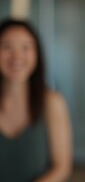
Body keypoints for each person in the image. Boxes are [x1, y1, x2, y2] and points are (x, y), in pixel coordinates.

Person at [0, 18, 72, 182]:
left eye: (26, 47)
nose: (17, 56)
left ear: (37, 54)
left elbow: (62, 168)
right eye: (7, 47)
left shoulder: (52, 102)